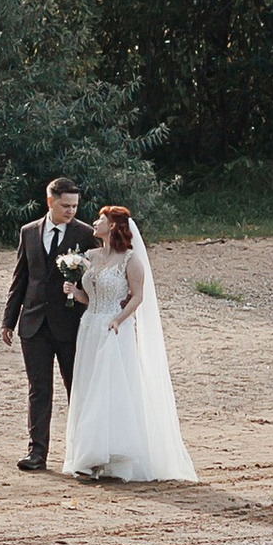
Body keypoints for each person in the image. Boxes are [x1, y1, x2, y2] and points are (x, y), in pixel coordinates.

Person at [65, 204, 197, 483]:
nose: (95, 222)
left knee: (110, 389)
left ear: (112, 225)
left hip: (115, 329)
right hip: (90, 326)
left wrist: (118, 320)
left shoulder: (129, 260)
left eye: (100, 219)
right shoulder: (91, 256)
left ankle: (104, 457)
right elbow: (92, 297)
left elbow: (137, 296)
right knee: (89, 387)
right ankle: (89, 454)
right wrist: (75, 292)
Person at [1, 178, 94, 472]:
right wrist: (9, 320)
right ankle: (37, 453)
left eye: (75, 206)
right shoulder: (28, 232)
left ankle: (83, 454)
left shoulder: (86, 234)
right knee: (38, 390)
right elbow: (21, 279)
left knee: (75, 389)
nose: (71, 211)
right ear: (50, 202)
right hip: (34, 323)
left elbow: (96, 280)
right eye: (66, 205)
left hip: (70, 324)